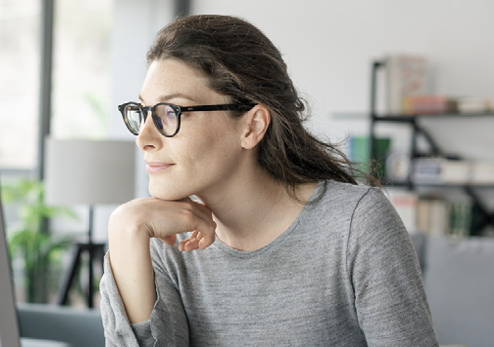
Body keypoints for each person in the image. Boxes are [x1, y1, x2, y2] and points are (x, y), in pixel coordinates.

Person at [99, 14, 438, 346]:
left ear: (252, 126)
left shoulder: (355, 226)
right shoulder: (165, 242)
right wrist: (125, 228)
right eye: (143, 112)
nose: (144, 137)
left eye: (170, 112)